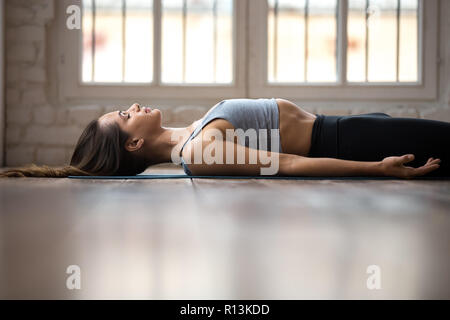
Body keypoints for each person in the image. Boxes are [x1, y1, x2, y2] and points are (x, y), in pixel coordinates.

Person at [0, 98, 448, 178]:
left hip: (348, 127)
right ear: (133, 144)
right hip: (348, 143)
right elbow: (288, 166)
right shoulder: (198, 151)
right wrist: (379, 168)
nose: (133, 106)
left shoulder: (190, 136)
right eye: (124, 115)